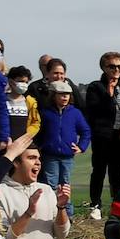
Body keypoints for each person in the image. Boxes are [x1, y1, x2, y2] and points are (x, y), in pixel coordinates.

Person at [84, 51, 120, 218]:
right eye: (112, 66)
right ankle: (95, 204)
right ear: (103, 67)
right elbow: (95, 110)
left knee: (118, 174)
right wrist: (109, 93)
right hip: (102, 136)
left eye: (119, 67)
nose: (116, 70)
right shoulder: (96, 87)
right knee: (99, 170)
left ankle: (117, 206)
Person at [37, 80, 90, 217]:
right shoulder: (45, 113)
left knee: (65, 185)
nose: (65, 97)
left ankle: (68, 215)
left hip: (67, 156)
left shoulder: (75, 113)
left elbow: (85, 131)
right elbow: (38, 132)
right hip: (50, 155)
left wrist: (81, 147)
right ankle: (50, 214)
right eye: (61, 94)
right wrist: (40, 147)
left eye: (67, 94)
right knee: (51, 185)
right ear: (53, 95)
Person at [3, 65, 41, 143]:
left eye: (26, 82)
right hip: (4, 142)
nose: (24, 84)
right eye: (21, 81)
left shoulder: (30, 102)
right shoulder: (2, 101)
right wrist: (2, 137)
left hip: (23, 143)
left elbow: (35, 122)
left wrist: (27, 135)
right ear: (10, 82)